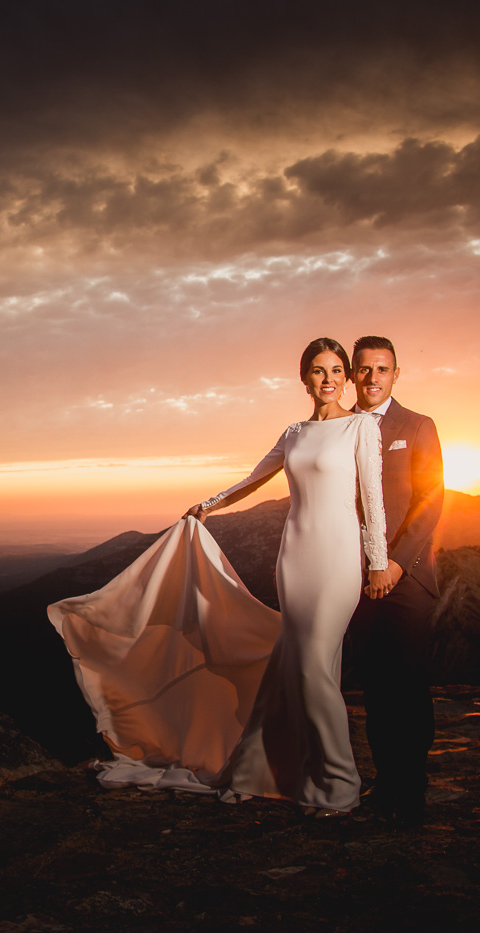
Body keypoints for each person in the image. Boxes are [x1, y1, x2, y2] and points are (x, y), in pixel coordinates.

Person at [48, 337, 388, 816]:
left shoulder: (362, 428)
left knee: (312, 668)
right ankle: (268, 769)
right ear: (304, 378)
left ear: (347, 377)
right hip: (295, 559)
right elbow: (252, 479)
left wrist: (377, 561)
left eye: (336, 370)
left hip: (339, 559)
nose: (328, 380)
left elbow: (373, 502)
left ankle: (339, 785)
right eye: (318, 370)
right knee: (301, 665)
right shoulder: (293, 433)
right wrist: (206, 506)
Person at [345, 335, 444, 827]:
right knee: (376, 689)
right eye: (364, 369)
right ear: (353, 373)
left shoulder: (419, 426)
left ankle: (413, 788)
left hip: (409, 577)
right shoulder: (340, 428)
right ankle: (385, 783)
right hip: (357, 578)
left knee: (408, 685)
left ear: (396, 374)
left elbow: (431, 501)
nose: (372, 378)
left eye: (382, 369)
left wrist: (397, 564)